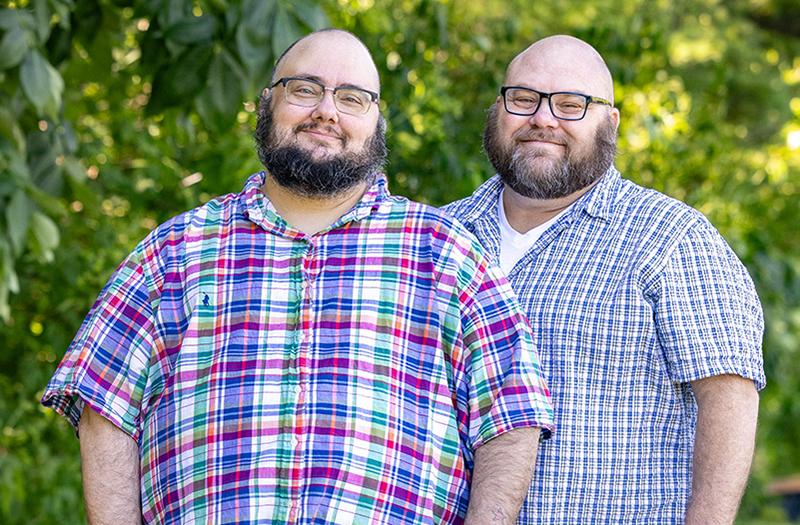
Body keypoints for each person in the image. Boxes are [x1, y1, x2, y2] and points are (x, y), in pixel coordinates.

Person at [41, 29, 553, 525]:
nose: (326, 110)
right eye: (305, 89)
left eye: (352, 98)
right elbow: (103, 410)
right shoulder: (177, 250)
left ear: (376, 121)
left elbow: (512, 418)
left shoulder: (445, 251)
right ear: (266, 104)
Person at [445, 34, 765, 524]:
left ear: (609, 122)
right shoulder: (439, 236)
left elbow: (730, 398)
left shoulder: (672, 240)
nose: (543, 119)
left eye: (571, 104)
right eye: (523, 99)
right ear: (498, 109)